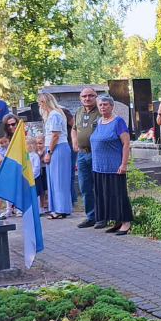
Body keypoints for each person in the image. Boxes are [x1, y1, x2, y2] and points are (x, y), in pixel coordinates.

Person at [89, 93, 132, 234]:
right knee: (106, 195)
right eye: (100, 104)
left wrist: (123, 164)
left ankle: (126, 222)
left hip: (114, 166)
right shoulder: (99, 121)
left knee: (118, 195)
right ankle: (116, 220)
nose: (102, 107)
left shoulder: (118, 121)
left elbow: (126, 143)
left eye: (105, 104)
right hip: (99, 167)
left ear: (111, 106)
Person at [39, 91, 73, 219]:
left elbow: (55, 135)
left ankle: (60, 209)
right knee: (55, 179)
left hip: (57, 148)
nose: (40, 105)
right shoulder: (53, 114)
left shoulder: (54, 115)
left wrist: (48, 152)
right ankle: (60, 208)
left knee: (59, 179)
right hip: (54, 147)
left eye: (41, 102)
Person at [73, 85, 99, 228]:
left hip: (97, 154)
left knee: (99, 186)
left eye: (90, 96)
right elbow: (74, 129)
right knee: (85, 186)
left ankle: (102, 216)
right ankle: (91, 217)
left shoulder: (100, 111)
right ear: (80, 98)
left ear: (95, 97)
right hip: (82, 154)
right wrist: (74, 141)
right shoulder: (79, 111)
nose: (87, 98)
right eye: (84, 96)